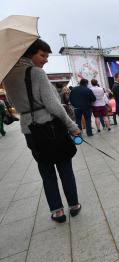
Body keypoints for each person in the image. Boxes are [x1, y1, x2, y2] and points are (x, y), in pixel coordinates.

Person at [3, 39, 82, 222]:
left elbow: (13, 103)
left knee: (46, 171)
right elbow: (53, 105)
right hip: (50, 126)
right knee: (64, 167)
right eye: (42, 55)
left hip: (30, 129)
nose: (46, 59)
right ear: (30, 53)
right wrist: (72, 126)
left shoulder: (7, 77)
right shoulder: (36, 73)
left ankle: (57, 211)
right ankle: (74, 205)